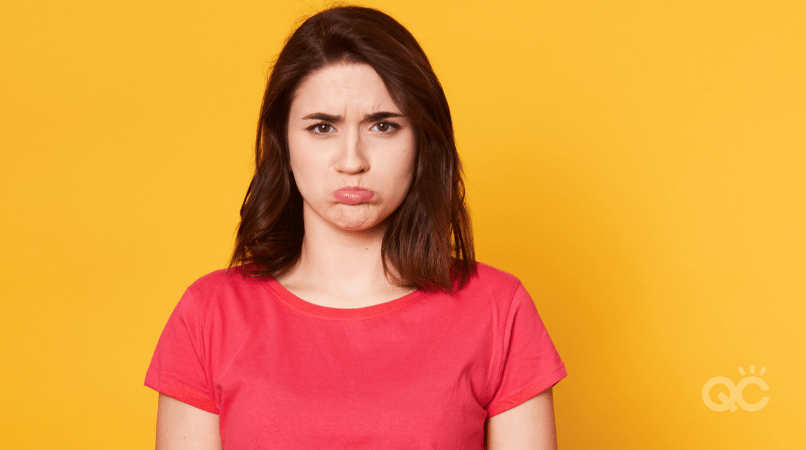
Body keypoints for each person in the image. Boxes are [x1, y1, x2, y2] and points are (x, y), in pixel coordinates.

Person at [144, 6, 567, 449]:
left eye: (383, 125)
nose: (352, 161)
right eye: (322, 127)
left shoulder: (498, 310)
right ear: (283, 142)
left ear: (422, 141)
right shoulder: (210, 315)